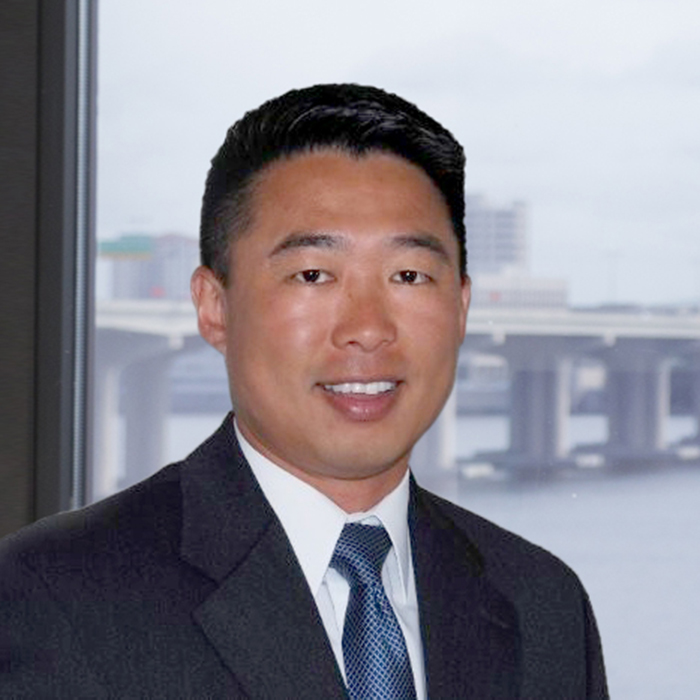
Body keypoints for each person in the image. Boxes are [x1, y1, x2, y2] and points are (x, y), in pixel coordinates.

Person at [0, 84, 608, 698]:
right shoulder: (54, 595)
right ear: (214, 306)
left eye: (409, 275)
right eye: (313, 274)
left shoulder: (544, 604)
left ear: (461, 305)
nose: (368, 328)